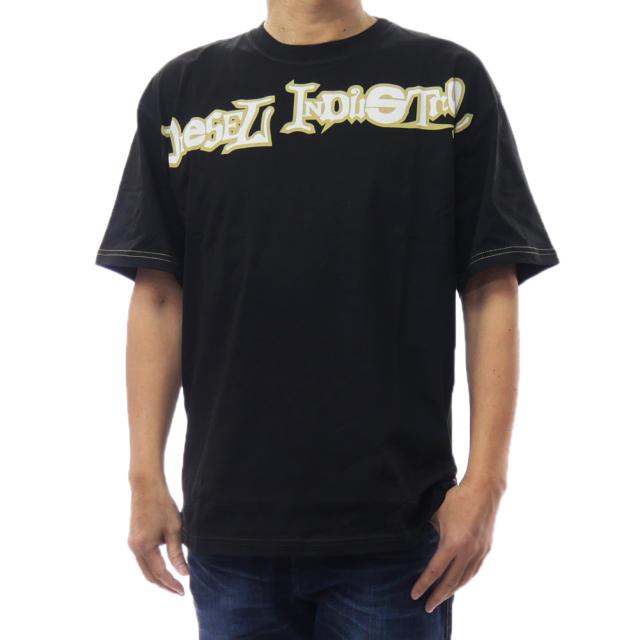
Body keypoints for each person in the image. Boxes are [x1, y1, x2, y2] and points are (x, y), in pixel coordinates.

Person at [95, 1, 559, 638]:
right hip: (230, 527)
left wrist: (487, 483)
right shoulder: (182, 93)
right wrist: (143, 477)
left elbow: (490, 285)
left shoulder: (445, 80)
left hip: (398, 529)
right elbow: (157, 296)